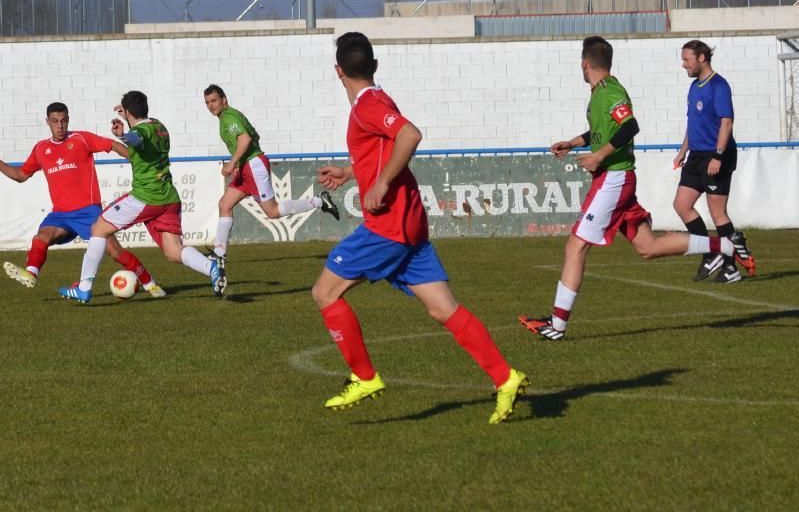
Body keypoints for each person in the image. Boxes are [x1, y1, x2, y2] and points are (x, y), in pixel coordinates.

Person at [312, 32, 528, 425]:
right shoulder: (378, 99)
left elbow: (410, 135)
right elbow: (385, 148)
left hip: (388, 224)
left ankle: (364, 377)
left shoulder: (367, 106)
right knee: (443, 308)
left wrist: (380, 184)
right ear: (374, 66)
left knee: (325, 292)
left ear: (337, 72)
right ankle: (505, 376)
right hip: (409, 223)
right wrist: (350, 172)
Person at [518, 36, 755, 341]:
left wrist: (600, 156)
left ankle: (557, 325)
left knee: (575, 246)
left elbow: (630, 126)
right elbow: (605, 131)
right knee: (648, 247)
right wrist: (574, 142)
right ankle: (723, 246)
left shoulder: (610, 92)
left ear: (585, 63)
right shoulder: (601, 93)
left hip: (613, 179)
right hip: (617, 180)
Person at [0, 102, 165, 297]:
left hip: (88, 211)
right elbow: (20, 175)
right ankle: (31, 273)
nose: (60, 126)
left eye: (63, 121)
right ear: (47, 122)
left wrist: (139, 160)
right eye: (54, 121)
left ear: (68, 120)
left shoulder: (81, 139)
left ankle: (150, 284)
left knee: (115, 251)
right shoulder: (41, 149)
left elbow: (113, 145)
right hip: (60, 215)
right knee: (41, 237)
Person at [58, 91, 225, 303]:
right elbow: (143, 137)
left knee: (99, 228)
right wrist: (128, 123)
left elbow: (138, 139)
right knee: (174, 251)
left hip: (146, 197)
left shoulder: (140, 132)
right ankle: (211, 267)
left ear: (127, 112)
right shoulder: (159, 126)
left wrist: (123, 136)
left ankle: (84, 287)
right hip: (169, 198)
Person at [203, 84, 339, 285]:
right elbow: (254, 135)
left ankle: (319, 201)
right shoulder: (229, 117)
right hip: (246, 166)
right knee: (225, 204)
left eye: (214, 100)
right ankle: (219, 255)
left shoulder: (229, 117)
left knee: (273, 212)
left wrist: (233, 162)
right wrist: (239, 162)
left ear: (224, 99)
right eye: (207, 102)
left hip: (252, 166)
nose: (210, 105)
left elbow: (246, 138)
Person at [672, 40, 755, 283]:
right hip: (696, 156)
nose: (683, 64)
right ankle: (711, 254)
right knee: (681, 205)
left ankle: (731, 268)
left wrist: (718, 155)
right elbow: (692, 124)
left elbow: (726, 123)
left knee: (718, 213)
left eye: (686, 59)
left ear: (701, 58)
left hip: (716, 154)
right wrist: (682, 151)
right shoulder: (694, 87)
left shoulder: (718, 85)